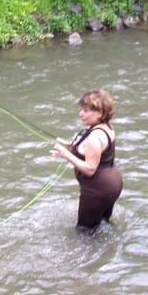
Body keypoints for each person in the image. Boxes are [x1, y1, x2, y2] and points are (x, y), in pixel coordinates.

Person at [52, 89, 123, 229]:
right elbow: (96, 152)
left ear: (100, 113)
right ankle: (112, 247)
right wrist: (72, 146)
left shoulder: (94, 137)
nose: (80, 113)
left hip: (97, 190)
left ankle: (98, 251)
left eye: (85, 110)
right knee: (103, 223)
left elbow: (90, 169)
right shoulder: (106, 127)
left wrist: (66, 154)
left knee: (85, 231)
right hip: (113, 184)